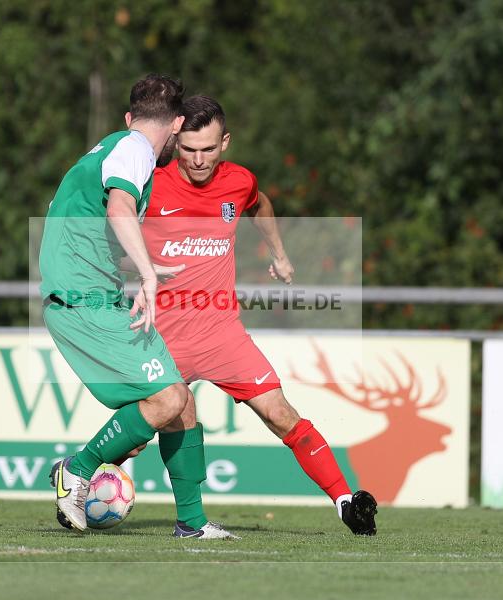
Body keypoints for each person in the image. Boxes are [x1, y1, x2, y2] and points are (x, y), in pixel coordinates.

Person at [139, 95, 377, 537]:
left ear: (224, 142)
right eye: (188, 149)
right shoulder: (149, 185)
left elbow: (260, 204)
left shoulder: (238, 182)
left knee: (279, 411)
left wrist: (280, 254)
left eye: (208, 149)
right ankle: (81, 475)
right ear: (174, 141)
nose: (197, 159)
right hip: (162, 337)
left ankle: (345, 501)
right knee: (144, 435)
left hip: (222, 333)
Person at [39, 74, 192, 531]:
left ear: (129, 116)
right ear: (178, 124)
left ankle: (193, 521)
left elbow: (88, 234)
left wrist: (141, 265)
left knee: (175, 403)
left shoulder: (110, 147)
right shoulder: (136, 150)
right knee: (167, 399)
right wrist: (146, 275)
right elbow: (119, 210)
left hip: (85, 293)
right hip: (84, 301)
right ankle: (80, 469)